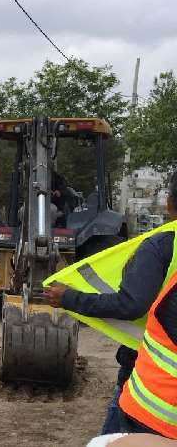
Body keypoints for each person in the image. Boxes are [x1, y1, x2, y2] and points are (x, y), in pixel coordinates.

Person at [44, 172, 177, 435]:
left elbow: (130, 305)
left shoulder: (161, 245)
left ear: (169, 203)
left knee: (114, 435)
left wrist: (68, 298)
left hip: (152, 386)